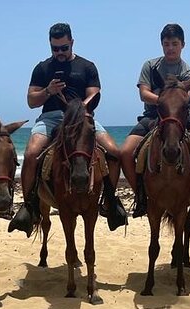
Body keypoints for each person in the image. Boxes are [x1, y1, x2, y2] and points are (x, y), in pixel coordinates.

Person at [8, 22, 127, 237]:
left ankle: (111, 200)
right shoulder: (42, 68)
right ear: (50, 46)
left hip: (81, 117)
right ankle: (29, 206)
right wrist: (48, 91)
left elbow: (94, 94)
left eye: (64, 48)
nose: (60, 52)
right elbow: (31, 100)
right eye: (55, 48)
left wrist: (79, 108)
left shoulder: (87, 66)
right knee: (32, 154)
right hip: (51, 118)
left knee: (115, 153)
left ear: (72, 42)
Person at [119, 23, 190, 219]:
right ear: (161, 45)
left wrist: (170, 102)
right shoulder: (150, 66)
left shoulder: (187, 71)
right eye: (166, 44)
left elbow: (185, 98)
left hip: (180, 116)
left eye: (174, 44)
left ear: (183, 45)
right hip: (152, 116)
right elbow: (143, 93)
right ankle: (141, 195)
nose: (170, 48)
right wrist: (163, 102)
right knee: (126, 152)